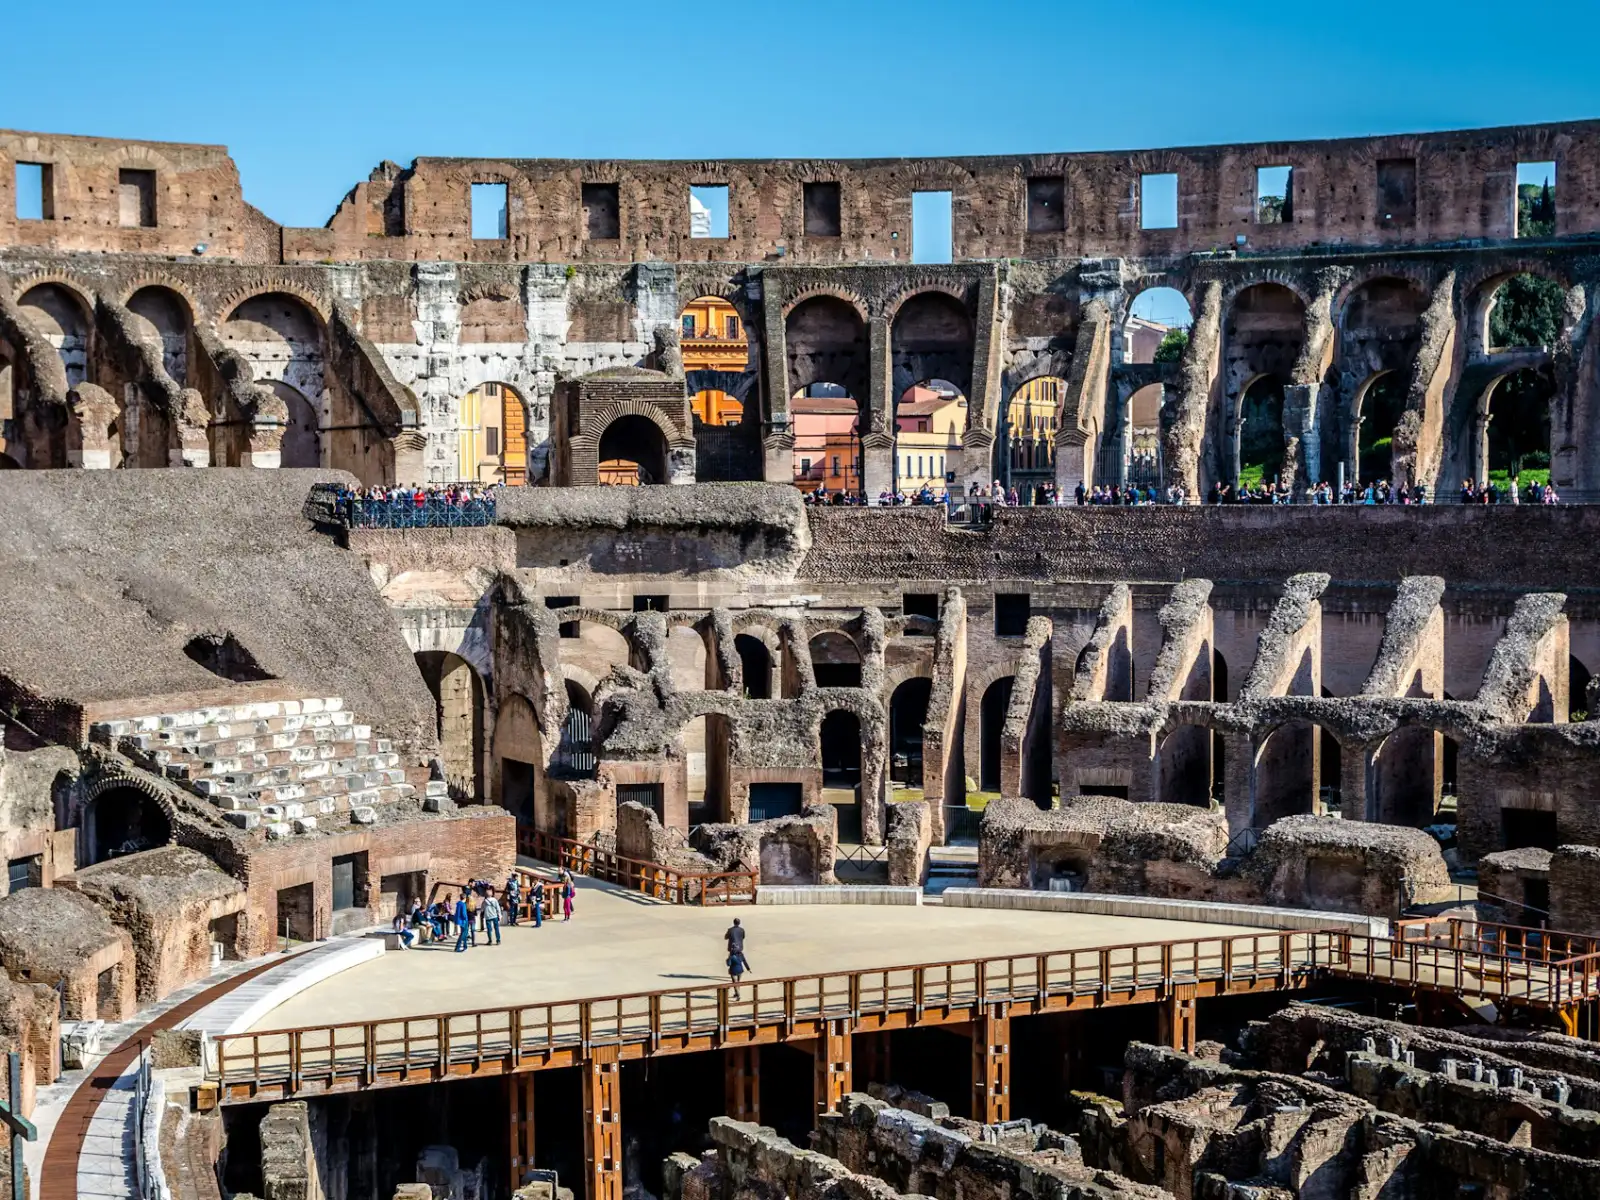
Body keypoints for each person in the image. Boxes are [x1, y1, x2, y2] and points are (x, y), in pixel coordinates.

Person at [725, 917, 750, 998]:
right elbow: (743, 937)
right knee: (739, 964)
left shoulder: (730, 930)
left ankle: (737, 993)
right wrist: (748, 968)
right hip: (739, 949)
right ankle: (737, 990)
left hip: (732, 950)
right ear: (739, 923)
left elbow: (725, 937)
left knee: (732, 966)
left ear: (733, 922)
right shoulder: (742, 930)